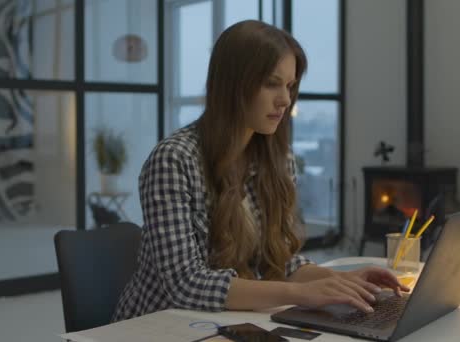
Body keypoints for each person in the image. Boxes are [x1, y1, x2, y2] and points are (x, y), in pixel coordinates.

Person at [112, 20, 409, 322]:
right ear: (233, 85)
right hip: (157, 325)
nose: (285, 100)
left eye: (290, 86)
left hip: (229, 321)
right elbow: (185, 285)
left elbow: (277, 262)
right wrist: (300, 294)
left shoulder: (279, 159)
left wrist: (344, 281)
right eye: (271, 83)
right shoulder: (173, 160)